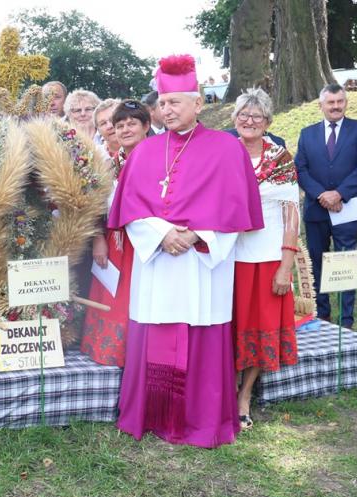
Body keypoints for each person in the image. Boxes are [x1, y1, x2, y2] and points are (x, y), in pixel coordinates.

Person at [107, 54, 263, 448]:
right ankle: (152, 414)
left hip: (200, 265)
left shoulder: (227, 149)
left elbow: (236, 209)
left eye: (175, 102)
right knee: (155, 327)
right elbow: (129, 208)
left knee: (202, 328)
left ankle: (200, 419)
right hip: (158, 263)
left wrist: (195, 236)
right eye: (162, 103)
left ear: (198, 103)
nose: (167, 109)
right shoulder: (144, 152)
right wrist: (162, 234)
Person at [231, 88, 300, 429]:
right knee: (229, 326)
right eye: (243, 115)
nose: (249, 121)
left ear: (268, 122)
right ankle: (224, 390)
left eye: (256, 116)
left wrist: (286, 265)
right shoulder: (225, 154)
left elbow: (291, 213)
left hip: (268, 257)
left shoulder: (280, 158)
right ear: (234, 119)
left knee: (261, 328)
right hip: (227, 256)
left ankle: (245, 395)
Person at [295, 83, 357, 329]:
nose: (336, 106)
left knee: (345, 262)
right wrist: (322, 195)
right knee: (317, 261)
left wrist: (339, 194)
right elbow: (300, 170)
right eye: (331, 102)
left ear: (346, 103)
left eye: (340, 101)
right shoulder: (307, 134)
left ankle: (346, 320)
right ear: (321, 105)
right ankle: (323, 315)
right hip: (316, 210)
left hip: (347, 209)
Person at [81, 100, 151, 367]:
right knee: (113, 296)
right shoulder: (109, 163)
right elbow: (95, 203)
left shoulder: (159, 158)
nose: (123, 130)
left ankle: (138, 357)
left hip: (146, 242)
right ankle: (110, 353)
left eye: (131, 124)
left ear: (146, 126)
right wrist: (98, 238)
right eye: (118, 125)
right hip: (115, 241)